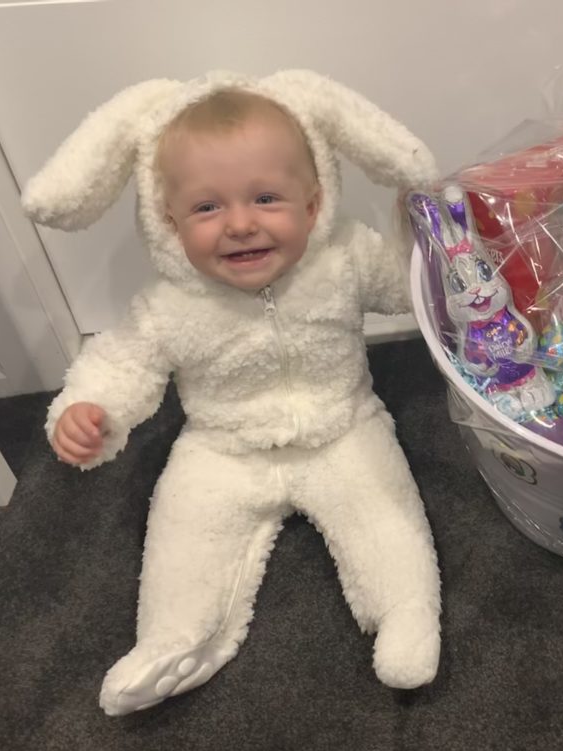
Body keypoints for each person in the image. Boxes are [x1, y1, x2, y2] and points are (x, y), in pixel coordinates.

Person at [24, 72, 442, 716]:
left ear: (313, 204)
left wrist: (437, 245)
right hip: (222, 446)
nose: (241, 224)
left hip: (343, 427)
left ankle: (406, 614)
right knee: (184, 530)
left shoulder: (345, 258)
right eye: (207, 208)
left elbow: (412, 283)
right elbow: (121, 361)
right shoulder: (169, 306)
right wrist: (91, 410)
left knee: (388, 517)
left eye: (266, 198)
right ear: (169, 223)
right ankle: (172, 640)